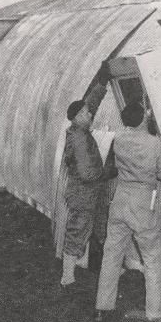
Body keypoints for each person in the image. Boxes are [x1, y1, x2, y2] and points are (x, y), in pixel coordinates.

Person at [94, 102, 161, 322]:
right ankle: (154, 313)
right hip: (141, 203)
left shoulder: (118, 139)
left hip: (120, 200)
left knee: (111, 255)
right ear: (142, 119)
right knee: (152, 257)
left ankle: (102, 308)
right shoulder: (155, 144)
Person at [60, 80, 115, 289]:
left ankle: (88, 268)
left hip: (85, 194)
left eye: (88, 112)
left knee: (93, 227)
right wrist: (108, 173)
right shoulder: (80, 140)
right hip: (84, 195)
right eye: (85, 114)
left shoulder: (77, 130)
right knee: (78, 231)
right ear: (76, 119)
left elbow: (90, 107)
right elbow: (87, 173)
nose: (90, 115)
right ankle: (67, 276)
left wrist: (101, 84)